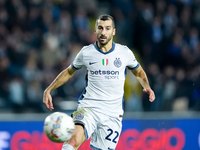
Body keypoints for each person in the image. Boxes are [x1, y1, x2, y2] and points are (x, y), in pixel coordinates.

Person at [43, 14, 155, 150]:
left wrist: (147, 86)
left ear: (113, 32)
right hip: (88, 108)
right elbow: (68, 71)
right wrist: (49, 89)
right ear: (95, 30)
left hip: (112, 114)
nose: (103, 32)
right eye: (100, 28)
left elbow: (138, 71)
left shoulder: (124, 53)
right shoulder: (86, 52)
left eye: (107, 28)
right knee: (72, 141)